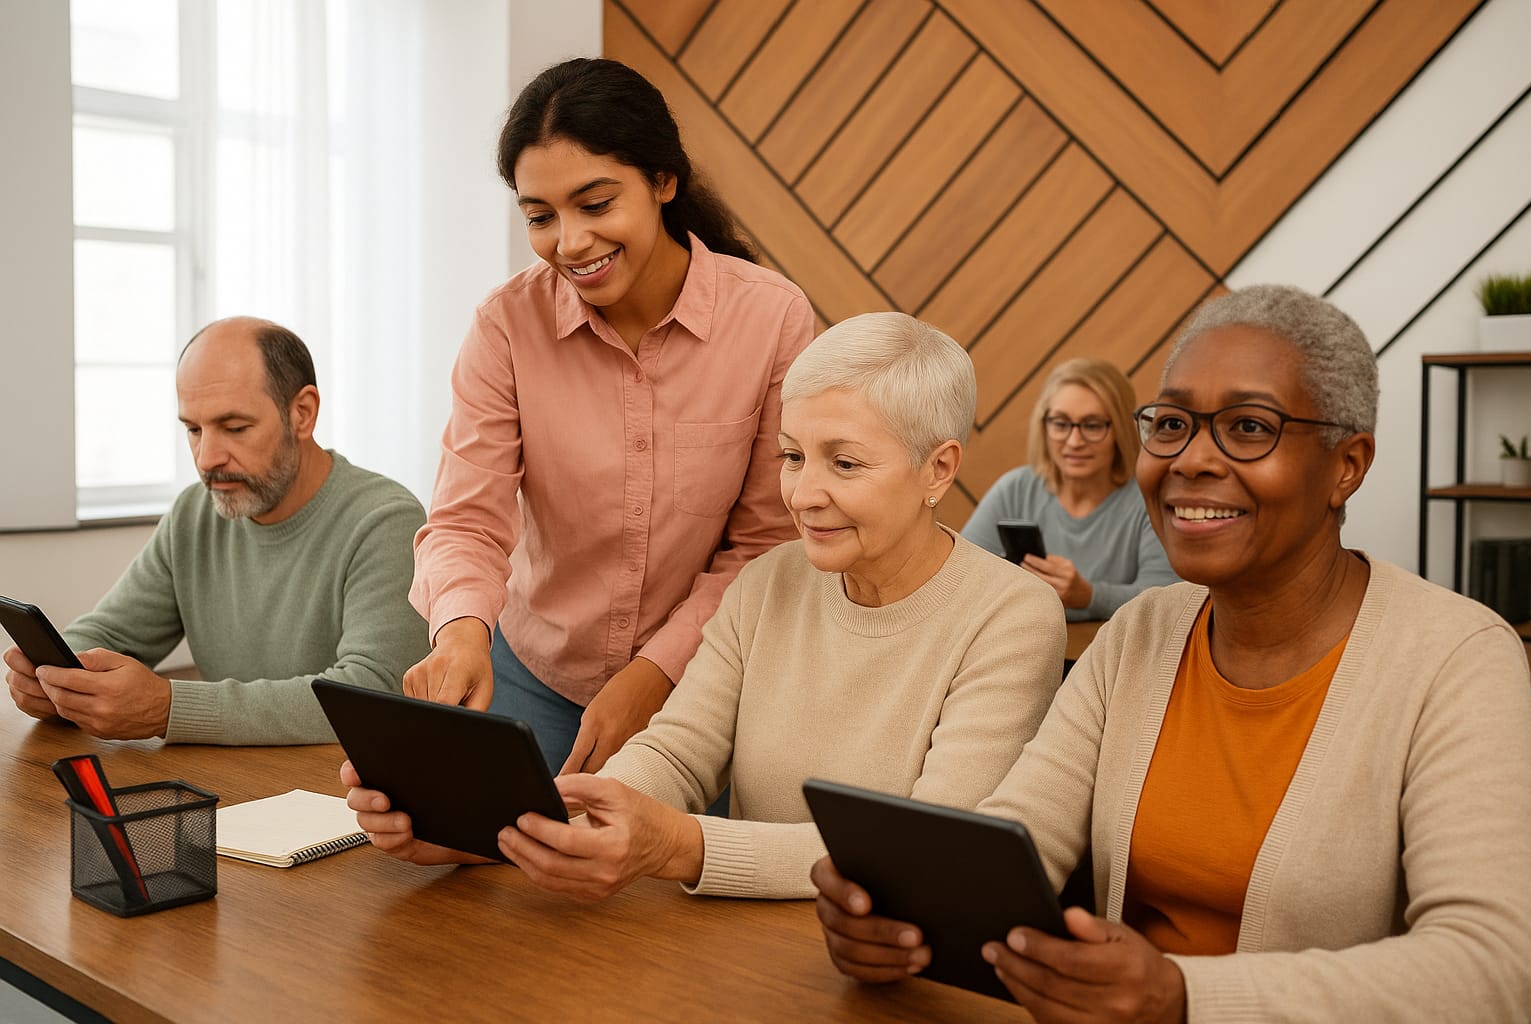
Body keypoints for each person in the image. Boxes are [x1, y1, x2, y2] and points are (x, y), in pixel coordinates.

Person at [811, 286, 1531, 1021]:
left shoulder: (1459, 658)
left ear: (1347, 464)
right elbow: (1017, 836)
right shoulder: (1142, 634)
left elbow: (1493, 965)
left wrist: (1186, 999)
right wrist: (900, 912)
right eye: (1174, 424)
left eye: (1249, 427)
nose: (1191, 459)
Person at [346, 312, 1067, 900]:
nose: (803, 494)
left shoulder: (1013, 615)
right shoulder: (768, 582)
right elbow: (676, 751)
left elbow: (928, 847)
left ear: (938, 469)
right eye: (792, 456)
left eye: (844, 463)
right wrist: (512, 826)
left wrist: (684, 845)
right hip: (735, 951)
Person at [406, 57, 813, 776]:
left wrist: (654, 673)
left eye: (595, 205)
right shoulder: (506, 326)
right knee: (473, 869)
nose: (568, 242)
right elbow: (467, 521)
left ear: (664, 181)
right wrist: (462, 634)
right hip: (530, 672)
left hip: (702, 683)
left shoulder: (773, 318)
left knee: (663, 879)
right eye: (540, 216)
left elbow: (765, 547)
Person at [2, 317, 429, 745]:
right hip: (231, 785)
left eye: (235, 428)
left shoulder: (386, 521)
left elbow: (373, 693)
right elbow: (109, 634)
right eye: (193, 429)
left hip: (345, 794)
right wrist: (56, 681)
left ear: (303, 413)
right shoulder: (194, 513)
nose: (207, 458)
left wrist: (170, 708)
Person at [962, 357, 1177, 621]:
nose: (1074, 441)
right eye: (1061, 424)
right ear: (1044, 426)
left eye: (1092, 425)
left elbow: (1167, 603)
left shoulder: (1148, 498)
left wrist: (1089, 596)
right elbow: (959, 577)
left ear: (1119, 429)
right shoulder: (1016, 489)